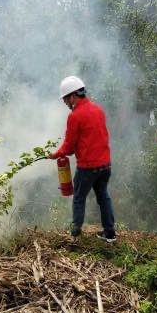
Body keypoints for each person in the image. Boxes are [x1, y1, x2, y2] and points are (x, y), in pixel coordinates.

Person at [48, 76, 116, 242]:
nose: (64, 102)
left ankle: (75, 235)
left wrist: (55, 154)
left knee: (78, 198)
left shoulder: (75, 116)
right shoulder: (98, 110)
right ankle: (110, 234)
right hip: (105, 165)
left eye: (65, 98)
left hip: (87, 168)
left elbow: (69, 147)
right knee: (103, 197)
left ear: (73, 96)